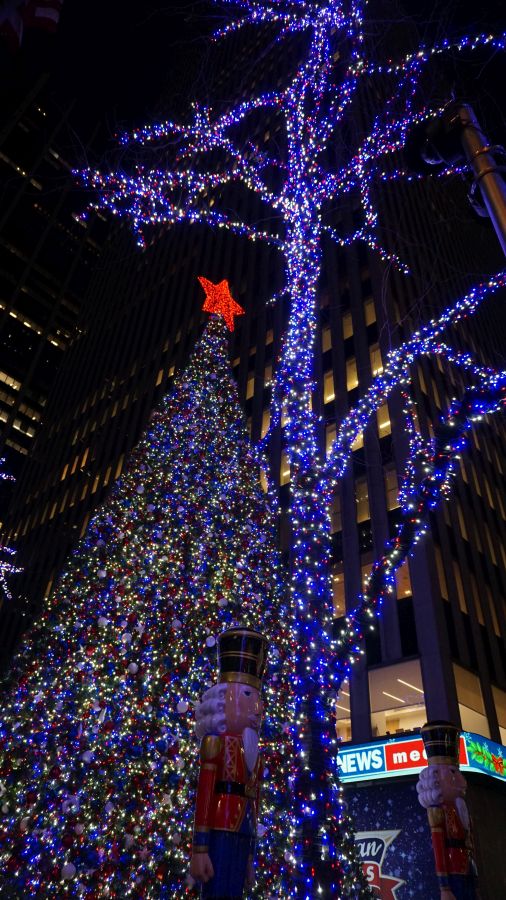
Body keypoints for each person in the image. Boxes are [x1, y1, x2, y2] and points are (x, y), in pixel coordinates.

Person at [190, 628, 268, 899]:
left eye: (258, 698)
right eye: (248, 696)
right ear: (224, 699)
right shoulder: (215, 744)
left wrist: (250, 856)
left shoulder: (253, 752)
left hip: (243, 833)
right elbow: (204, 797)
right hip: (220, 829)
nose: (257, 708)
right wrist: (200, 849)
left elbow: (255, 799)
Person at [417, 721, 477, 900]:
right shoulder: (438, 812)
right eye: (452, 773)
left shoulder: (461, 809)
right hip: (453, 874)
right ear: (435, 778)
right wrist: (444, 886)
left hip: (468, 872)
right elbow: (438, 848)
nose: (461, 781)